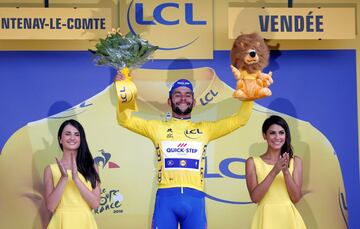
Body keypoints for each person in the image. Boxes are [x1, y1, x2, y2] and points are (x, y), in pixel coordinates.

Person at [115, 71, 254, 229]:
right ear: (169, 100)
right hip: (165, 200)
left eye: (188, 95)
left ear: (194, 102)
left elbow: (240, 119)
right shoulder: (157, 128)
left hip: (195, 201)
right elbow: (125, 120)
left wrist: (249, 97)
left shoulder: (206, 129)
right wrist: (124, 89)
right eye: (178, 94)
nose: (183, 98)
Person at [245, 115, 306, 229]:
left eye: (281, 132)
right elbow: (255, 198)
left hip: (289, 220)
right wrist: (274, 171)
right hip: (265, 219)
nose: (277, 137)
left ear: (286, 135)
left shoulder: (295, 161)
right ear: (264, 135)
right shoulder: (252, 162)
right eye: (272, 133)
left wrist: (286, 171)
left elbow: (296, 198)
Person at [43, 119, 101, 229]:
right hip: (60, 222)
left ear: (81, 139)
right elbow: (50, 206)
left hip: (85, 222)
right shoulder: (50, 170)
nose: (72, 138)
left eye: (76, 134)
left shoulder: (91, 167)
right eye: (67, 134)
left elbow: (95, 204)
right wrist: (64, 178)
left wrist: (76, 179)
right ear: (60, 139)